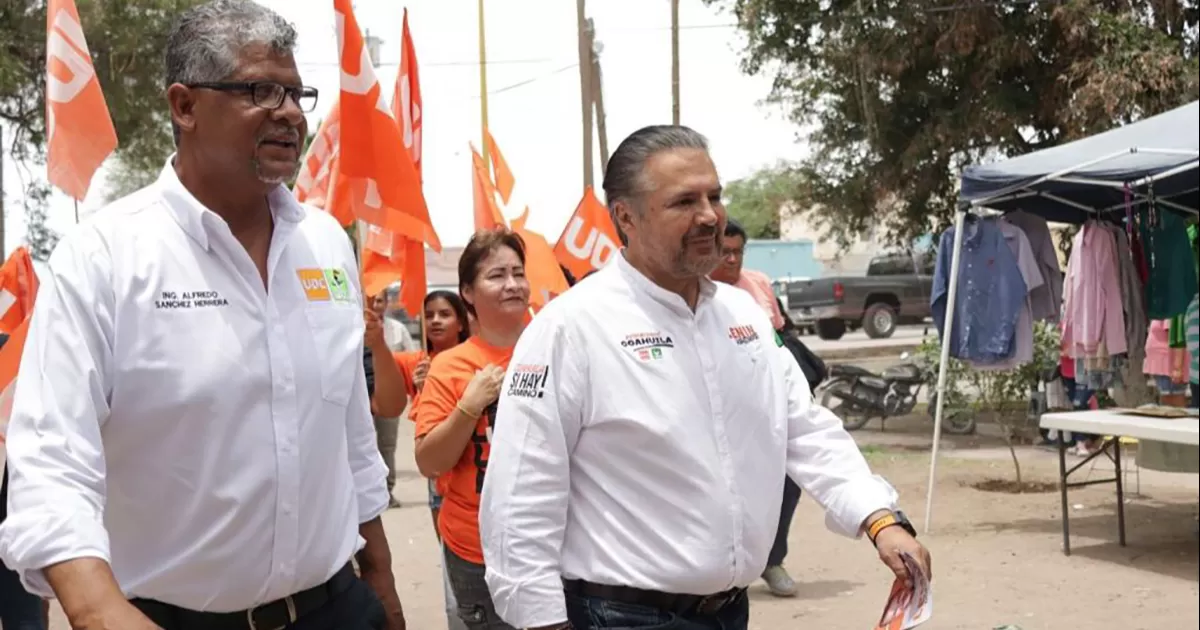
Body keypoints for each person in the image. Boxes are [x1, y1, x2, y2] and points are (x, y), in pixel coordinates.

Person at [0, 2, 405, 629]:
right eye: (262, 90)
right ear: (185, 106)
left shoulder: (326, 244)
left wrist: (380, 580)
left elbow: (349, 432)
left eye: (298, 94)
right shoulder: (105, 256)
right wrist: (96, 608)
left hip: (338, 608)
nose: (292, 114)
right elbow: (52, 461)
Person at [480, 125, 931, 630]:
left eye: (714, 196)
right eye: (683, 202)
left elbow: (802, 428)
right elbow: (520, 499)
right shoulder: (570, 328)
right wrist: (540, 620)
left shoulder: (742, 315)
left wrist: (879, 518)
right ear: (626, 217)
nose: (710, 216)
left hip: (728, 613)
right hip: (619, 617)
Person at [413, 229, 530, 630]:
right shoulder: (451, 366)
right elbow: (429, 461)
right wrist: (469, 405)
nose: (512, 284)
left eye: (518, 272)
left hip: (552, 546)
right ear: (468, 292)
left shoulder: (553, 347)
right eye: (497, 275)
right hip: (477, 552)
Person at [709, 218, 801, 597]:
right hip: (718, 415)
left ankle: (771, 559)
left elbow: (782, 330)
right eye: (724, 252)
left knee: (787, 482)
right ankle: (721, 572)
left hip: (763, 404)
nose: (731, 259)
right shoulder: (696, 296)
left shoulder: (757, 285)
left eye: (738, 252)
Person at [394, 290, 472, 630]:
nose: (435, 321)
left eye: (444, 314)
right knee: (449, 550)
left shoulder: (474, 359)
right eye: (429, 315)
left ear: (462, 321)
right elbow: (393, 406)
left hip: (470, 476)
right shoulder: (419, 362)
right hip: (437, 477)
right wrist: (425, 387)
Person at [366, 291, 412, 509]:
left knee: (386, 444)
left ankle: (387, 490)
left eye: (380, 300)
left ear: (387, 303)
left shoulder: (397, 329)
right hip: (363, 394)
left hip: (389, 392)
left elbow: (411, 355)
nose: (376, 304)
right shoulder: (355, 326)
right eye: (372, 300)